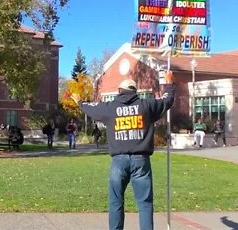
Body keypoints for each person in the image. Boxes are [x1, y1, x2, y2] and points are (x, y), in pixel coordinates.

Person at [70, 74, 175, 230]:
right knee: (145, 204)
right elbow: (167, 100)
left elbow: (91, 108)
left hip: (118, 162)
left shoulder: (110, 108)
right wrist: (169, 84)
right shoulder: (147, 106)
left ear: (119, 90)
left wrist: (79, 101)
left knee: (116, 202)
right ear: (135, 91)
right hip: (141, 161)